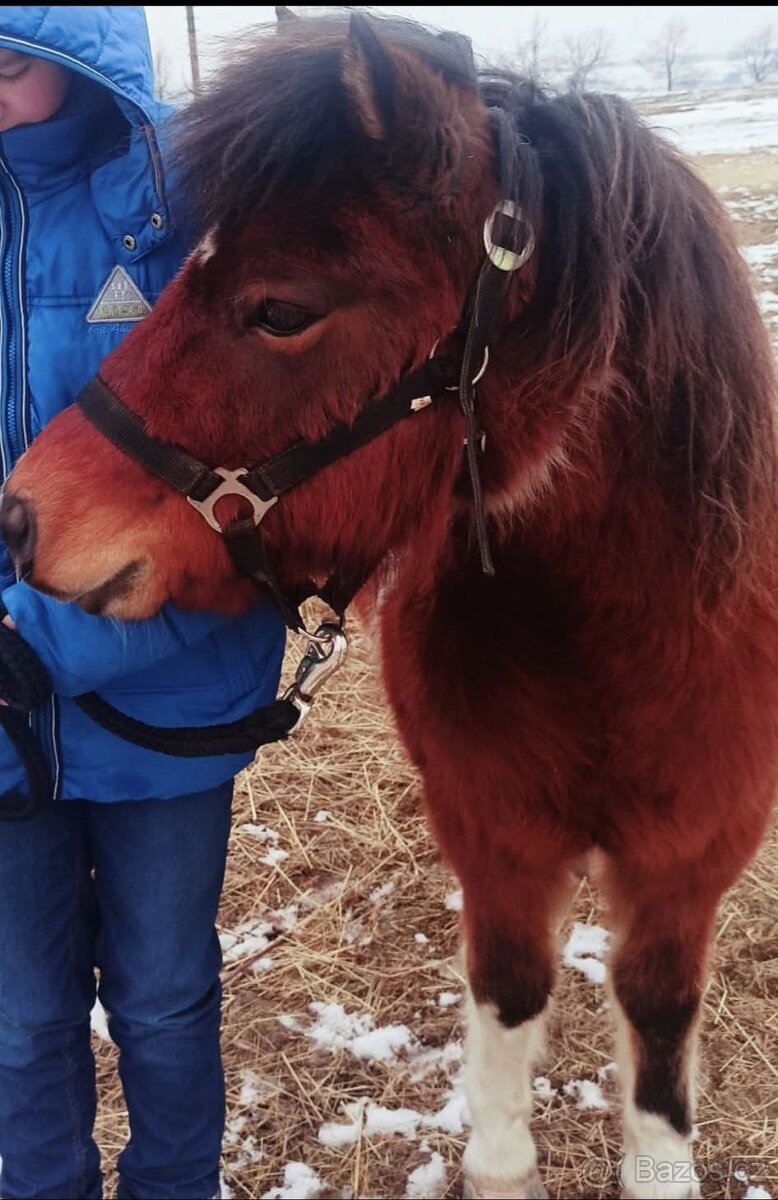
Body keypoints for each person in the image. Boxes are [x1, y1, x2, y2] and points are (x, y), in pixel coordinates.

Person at [0, 8, 285, 1199]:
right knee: (20, 1018)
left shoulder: (208, 217)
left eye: (7, 65)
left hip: (162, 708)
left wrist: (39, 643)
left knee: (163, 998)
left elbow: (256, 506)